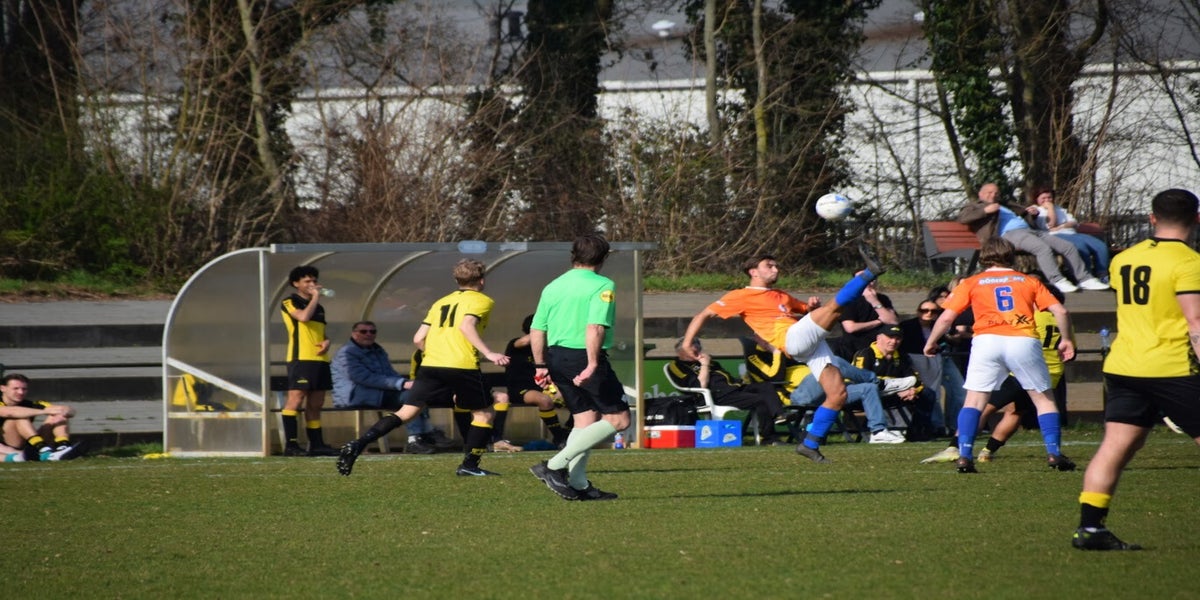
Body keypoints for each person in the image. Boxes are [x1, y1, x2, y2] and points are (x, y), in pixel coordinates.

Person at [1074, 189, 1200, 551]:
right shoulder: (1189, 262)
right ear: (1196, 219)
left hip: (1125, 365)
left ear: (1152, 218)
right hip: (1171, 366)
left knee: (1116, 446)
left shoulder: (1123, 259)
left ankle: (1090, 529)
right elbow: (1195, 323)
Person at [681, 247, 888, 463]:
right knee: (834, 309)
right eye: (769, 266)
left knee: (838, 395)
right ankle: (869, 273)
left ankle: (809, 445)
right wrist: (687, 342)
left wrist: (811, 307)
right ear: (753, 272)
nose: (775, 269)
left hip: (811, 343)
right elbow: (703, 314)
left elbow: (806, 310)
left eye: (776, 265)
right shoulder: (740, 296)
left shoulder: (780, 295)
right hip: (792, 339)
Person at [337, 259, 511, 477]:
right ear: (482, 280)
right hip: (461, 364)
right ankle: (470, 465)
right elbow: (466, 326)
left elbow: (418, 338)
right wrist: (489, 353)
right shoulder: (481, 300)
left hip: (431, 365)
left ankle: (358, 444)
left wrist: (437, 352)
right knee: (483, 413)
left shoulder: (440, 302)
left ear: (456, 280)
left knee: (406, 412)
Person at [923, 237, 1076, 474]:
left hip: (986, 341)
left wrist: (932, 341)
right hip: (1022, 339)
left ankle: (964, 455)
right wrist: (1066, 339)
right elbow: (1061, 311)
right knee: (1043, 400)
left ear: (984, 257)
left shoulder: (972, 282)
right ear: (1011, 255)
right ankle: (1054, 453)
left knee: (974, 401)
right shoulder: (1028, 281)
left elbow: (946, 318)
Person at [528, 234, 626, 501]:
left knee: (585, 418)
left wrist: (540, 364)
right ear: (603, 258)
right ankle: (553, 466)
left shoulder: (554, 285)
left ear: (573, 255)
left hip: (556, 357)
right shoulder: (603, 285)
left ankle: (579, 484)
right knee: (619, 419)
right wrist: (593, 363)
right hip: (582, 356)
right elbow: (595, 327)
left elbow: (537, 328)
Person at [956, 182, 1107, 294]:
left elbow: (1024, 215)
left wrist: (1032, 214)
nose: (993, 195)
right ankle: (1057, 280)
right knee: (1042, 248)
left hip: (1030, 231)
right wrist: (986, 210)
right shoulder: (975, 206)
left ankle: (1085, 279)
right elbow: (963, 218)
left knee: (1068, 246)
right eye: (989, 192)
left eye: (996, 192)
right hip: (1010, 235)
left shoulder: (1005, 205)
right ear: (981, 194)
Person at [331, 321, 447, 454]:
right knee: (410, 396)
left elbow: (389, 373)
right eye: (363, 331)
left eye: (372, 331)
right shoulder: (346, 352)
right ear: (354, 334)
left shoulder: (377, 350)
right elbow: (363, 378)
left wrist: (406, 383)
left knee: (417, 392)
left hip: (376, 392)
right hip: (354, 395)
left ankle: (425, 434)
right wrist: (402, 383)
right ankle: (416, 439)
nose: (368, 334)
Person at [667, 337, 787, 446]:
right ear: (681, 351)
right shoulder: (677, 365)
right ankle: (769, 438)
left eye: (698, 346)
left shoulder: (711, 362)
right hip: (716, 395)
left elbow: (726, 378)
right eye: (693, 346)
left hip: (734, 389)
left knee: (765, 387)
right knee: (760, 400)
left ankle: (780, 415)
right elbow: (701, 385)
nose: (697, 349)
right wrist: (705, 365)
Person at [279, 264, 339, 457]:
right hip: (301, 358)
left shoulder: (319, 307)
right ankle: (291, 445)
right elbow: (303, 318)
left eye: (314, 280)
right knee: (296, 399)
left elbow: (318, 331)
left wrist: (327, 341)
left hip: (319, 360)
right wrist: (315, 297)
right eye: (307, 281)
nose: (312, 284)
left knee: (316, 403)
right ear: (296, 283)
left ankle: (317, 444)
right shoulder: (290, 301)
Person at [787, 356, 914, 444]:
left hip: (832, 391)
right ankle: (880, 383)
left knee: (868, 388)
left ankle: (878, 431)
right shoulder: (789, 354)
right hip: (804, 396)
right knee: (834, 362)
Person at [499, 314, 571, 451]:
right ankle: (559, 437)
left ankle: (567, 434)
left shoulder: (546, 349)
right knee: (544, 400)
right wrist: (543, 329)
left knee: (579, 400)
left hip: (544, 388)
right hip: (520, 389)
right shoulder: (515, 344)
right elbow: (525, 341)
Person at [852, 325, 936, 440]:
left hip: (896, 395)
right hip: (871, 395)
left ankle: (917, 433)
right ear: (879, 338)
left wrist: (913, 390)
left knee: (927, 393)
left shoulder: (902, 356)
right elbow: (860, 380)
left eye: (898, 338)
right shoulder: (865, 354)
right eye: (890, 337)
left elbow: (915, 379)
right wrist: (897, 391)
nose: (894, 341)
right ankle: (877, 432)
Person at [1031, 187, 1111, 283]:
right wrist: (1050, 208)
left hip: (1072, 233)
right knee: (1081, 247)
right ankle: (1086, 276)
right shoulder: (1037, 211)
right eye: (1043, 198)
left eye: (1049, 197)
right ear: (1037, 199)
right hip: (1055, 235)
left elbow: (1074, 222)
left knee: (1100, 246)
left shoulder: (1059, 209)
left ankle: (1102, 274)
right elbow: (1051, 225)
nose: (1047, 200)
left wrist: (1061, 226)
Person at [1, 374, 84, 461]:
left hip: (30, 444)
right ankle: (43, 450)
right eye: (15, 389)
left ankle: (63, 447)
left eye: (24, 389)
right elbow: (9, 412)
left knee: (58, 416)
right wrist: (44, 411)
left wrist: (64, 411)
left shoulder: (31, 404)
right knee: (20, 417)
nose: (20, 392)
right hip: (7, 445)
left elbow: (69, 411)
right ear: (2, 388)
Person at [832, 276, 900, 360]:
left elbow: (893, 322)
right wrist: (878, 321)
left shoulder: (883, 299)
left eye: (871, 280)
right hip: (854, 350)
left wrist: (874, 301)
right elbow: (850, 327)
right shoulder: (850, 300)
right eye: (863, 279)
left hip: (878, 350)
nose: (868, 283)